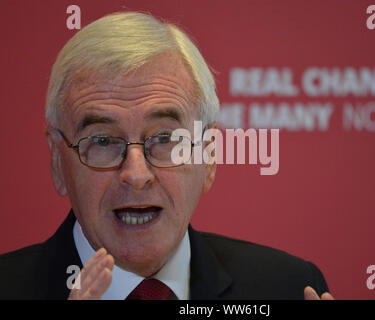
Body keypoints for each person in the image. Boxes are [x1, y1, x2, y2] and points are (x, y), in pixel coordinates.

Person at [0, 11, 333, 300]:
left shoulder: (288, 288)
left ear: (209, 154)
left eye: (164, 138)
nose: (136, 174)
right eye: (102, 140)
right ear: (58, 161)